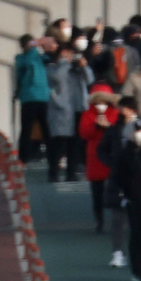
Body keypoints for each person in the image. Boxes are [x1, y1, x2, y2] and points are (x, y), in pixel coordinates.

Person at [109, 118, 141, 272]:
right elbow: (117, 177)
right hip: (133, 199)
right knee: (137, 233)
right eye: (137, 131)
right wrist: (120, 196)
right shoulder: (125, 153)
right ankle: (138, 267)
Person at [77, 86, 123, 235]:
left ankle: (118, 221)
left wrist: (108, 127)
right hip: (94, 156)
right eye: (97, 102)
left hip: (111, 155)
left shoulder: (116, 113)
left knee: (115, 190)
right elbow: (84, 133)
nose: (100, 104)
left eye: (103, 101)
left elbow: (120, 130)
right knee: (97, 192)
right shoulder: (87, 115)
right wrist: (97, 126)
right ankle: (99, 221)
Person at [44, 45, 93, 183]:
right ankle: (53, 172)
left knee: (74, 144)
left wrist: (84, 66)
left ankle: (71, 172)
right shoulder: (53, 68)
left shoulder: (76, 69)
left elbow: (90, 80)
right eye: (66, 53)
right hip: (61, 110)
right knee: (57, 143)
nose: (70, 56)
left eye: (72, 54)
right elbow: (57, 78)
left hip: (78, 108)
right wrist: (65, 63)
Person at [13, 35, 50, 163]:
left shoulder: (40, 58)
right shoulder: (21, 58)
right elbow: (27, 62)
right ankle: (23, 158)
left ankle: (51, 157)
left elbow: (50, 57)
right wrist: (36, 45)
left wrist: (47, 45)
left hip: (43, 97)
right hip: (29, 97)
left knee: (47, 130)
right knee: (27, 129)